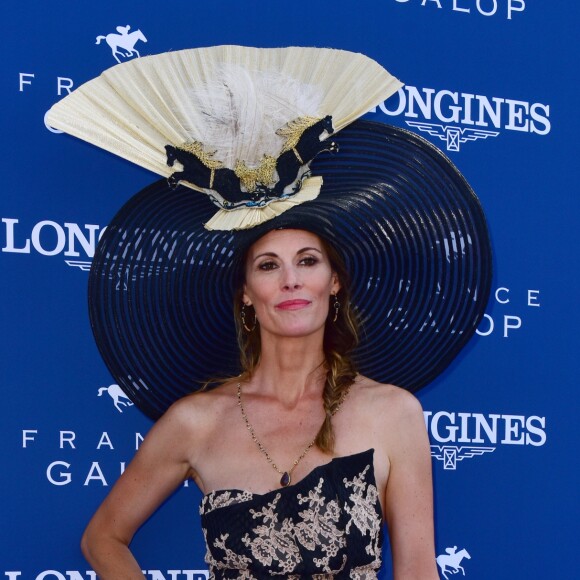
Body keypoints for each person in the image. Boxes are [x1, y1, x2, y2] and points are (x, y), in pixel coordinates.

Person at [47, 45, 492, 578]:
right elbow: (103, 538)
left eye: (307, 261)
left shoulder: (393, 413)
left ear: (334, 284)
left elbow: (419, 567)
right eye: (267, 265)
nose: (290, 280)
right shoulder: (195, 421)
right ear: (245, 293)